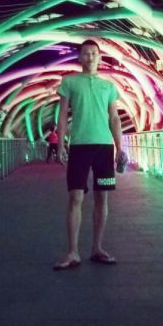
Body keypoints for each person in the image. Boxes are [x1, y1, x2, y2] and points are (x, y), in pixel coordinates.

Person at [53, 39, 127, 270]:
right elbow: (62, 115)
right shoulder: (69, 82)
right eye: (86, 53)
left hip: (104, 147)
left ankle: (97, 248)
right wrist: (61, 144)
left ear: (100, 57)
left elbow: (114, 118)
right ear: (79, 57)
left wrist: (119, 147)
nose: (90, 56)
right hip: (79, 145)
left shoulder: (109, 86)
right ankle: (73, 252)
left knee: (102, 197)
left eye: (94, 53)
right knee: (76, 196)